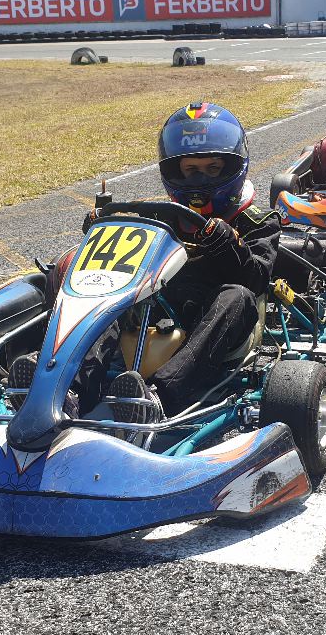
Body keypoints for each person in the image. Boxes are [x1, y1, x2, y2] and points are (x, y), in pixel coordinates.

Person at [78, 102, 281, 420]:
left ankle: (158, 398)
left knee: (236, 296)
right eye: (191, 170)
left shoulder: (257, 221)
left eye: (212, 169)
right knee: (111, 290)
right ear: (174, 172)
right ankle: (75, 390)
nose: (201, 179)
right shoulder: (161, 216)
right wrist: (105, 230)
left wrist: (228, 243)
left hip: (219, 323)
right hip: (159, 310)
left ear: (232, 167)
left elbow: (257, 280)